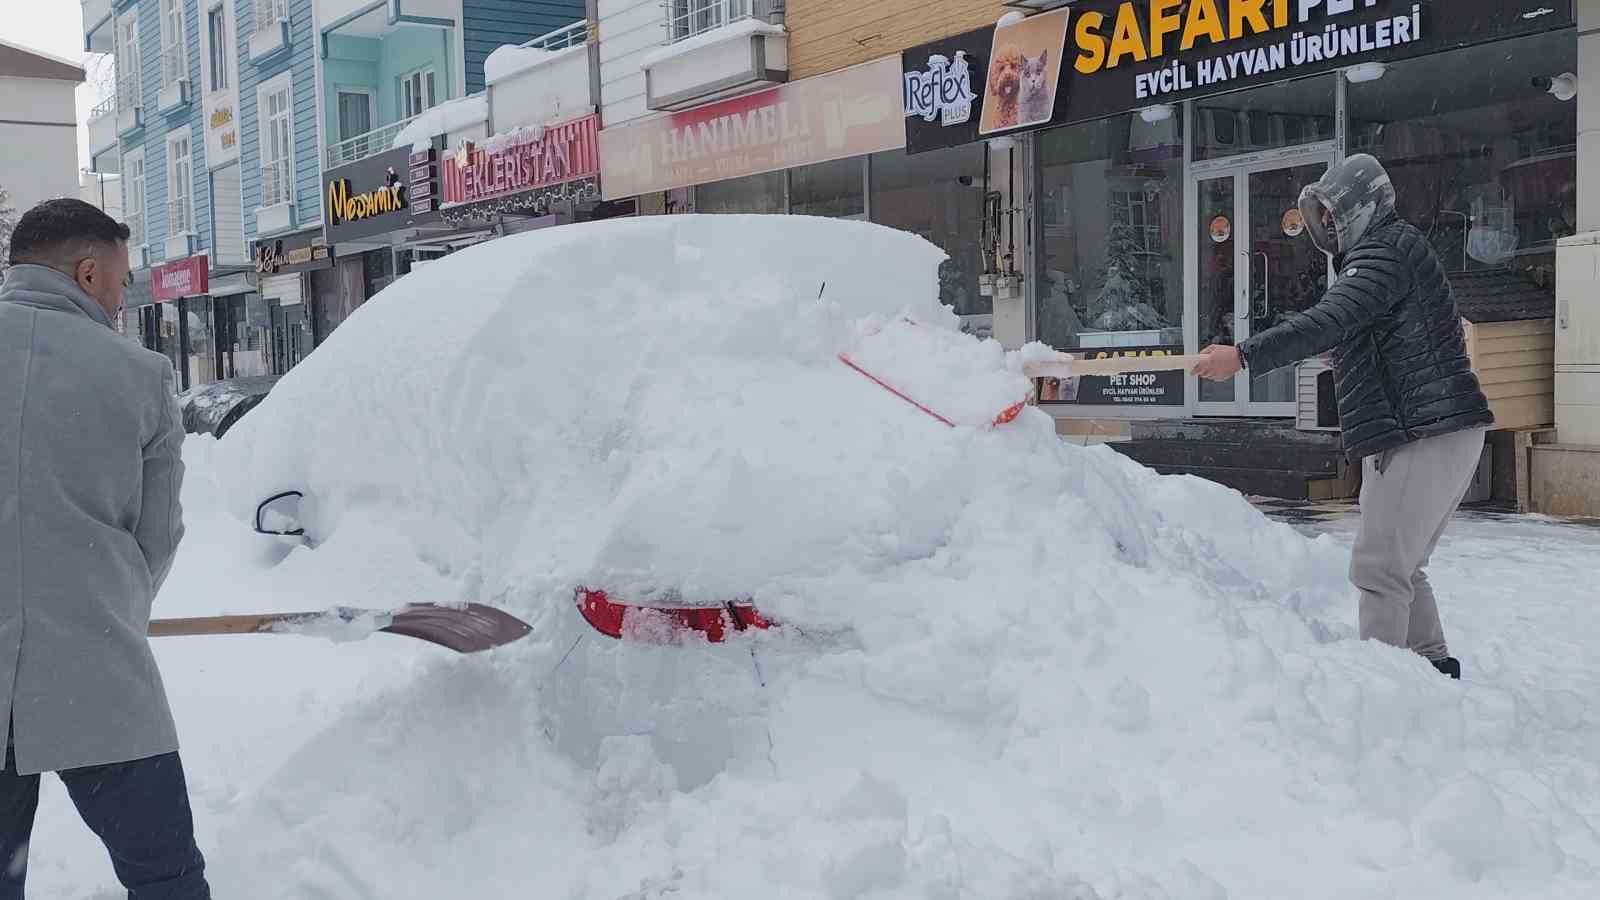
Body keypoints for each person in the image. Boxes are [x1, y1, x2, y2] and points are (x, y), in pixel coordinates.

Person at [1191, 154, 1494, 681]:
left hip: (1422, 433)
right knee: (1401, 568)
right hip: (1432, 429)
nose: (1328, 224)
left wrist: (1241, 356)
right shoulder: (1387, 252)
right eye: (1323, 215)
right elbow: (1363, 332)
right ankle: (1433, 671)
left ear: (1365, 207)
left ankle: (1382, 690)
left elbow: (1329, 320)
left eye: (1334, 213)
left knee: (1379, 570)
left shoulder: (1384, 253)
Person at [0, 199, 210, 898]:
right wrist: (106, 608)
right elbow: (157, 536)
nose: (121, 302)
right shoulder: (139, 374)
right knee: (165, 878)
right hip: (97, 679)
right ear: (88, 273)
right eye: (121, 284)